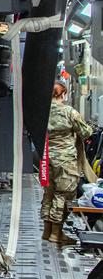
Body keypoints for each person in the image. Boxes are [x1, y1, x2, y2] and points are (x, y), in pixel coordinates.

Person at [42, 81, 94, 244]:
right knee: (64, 194)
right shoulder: (68, 112)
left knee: (49, 194)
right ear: (62, 94)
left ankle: (46, 231)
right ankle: (56, 234)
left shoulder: (42, 112)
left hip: (46, 157)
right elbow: (86, 132)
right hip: (65, 160)